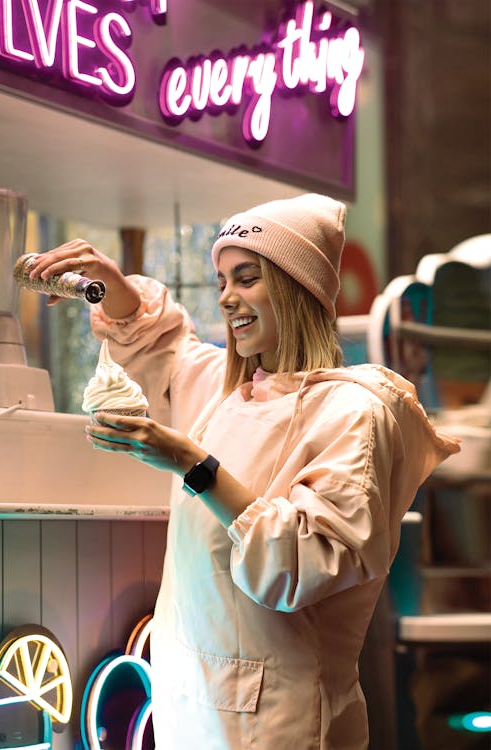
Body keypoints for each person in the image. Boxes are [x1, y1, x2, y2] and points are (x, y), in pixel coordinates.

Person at [27, 194, 459, 750]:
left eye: (247, 278)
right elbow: (164, 347)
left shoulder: (353, 414)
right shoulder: (225, 393)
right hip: (192, 714)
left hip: (284, 725)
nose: (229, 298)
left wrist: (193, 464)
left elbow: (300, 568)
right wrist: (111, 282)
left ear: (297, 286)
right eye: (222, 280)